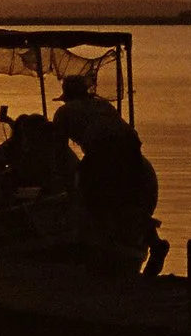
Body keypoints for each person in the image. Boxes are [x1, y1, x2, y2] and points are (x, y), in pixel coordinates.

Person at [53, 72, 168, 275]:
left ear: (67, 96)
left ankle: (99, 244)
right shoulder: (103, 105)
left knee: (94, 198)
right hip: (131, 147)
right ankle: (154, 241)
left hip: (103, 150)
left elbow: (58, 149)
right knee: (128, 198)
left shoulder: (64, 112)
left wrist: (67, 180)